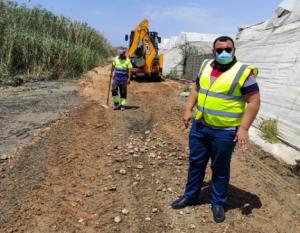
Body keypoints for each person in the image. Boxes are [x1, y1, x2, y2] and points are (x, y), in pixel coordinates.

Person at [171, 36, 261, 223]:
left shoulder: (244, 72)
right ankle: (191, 196)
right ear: (214, 51)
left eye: (228, 49)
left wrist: (243, 128)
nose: (224, 53)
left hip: (225, 131)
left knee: (219, 167)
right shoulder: (206, 65)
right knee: (196, 162)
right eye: (219, 50)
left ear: (234, 50)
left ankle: (218, 203)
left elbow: (254, 101)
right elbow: (196, 88)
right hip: (200, 126)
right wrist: (188, 109)